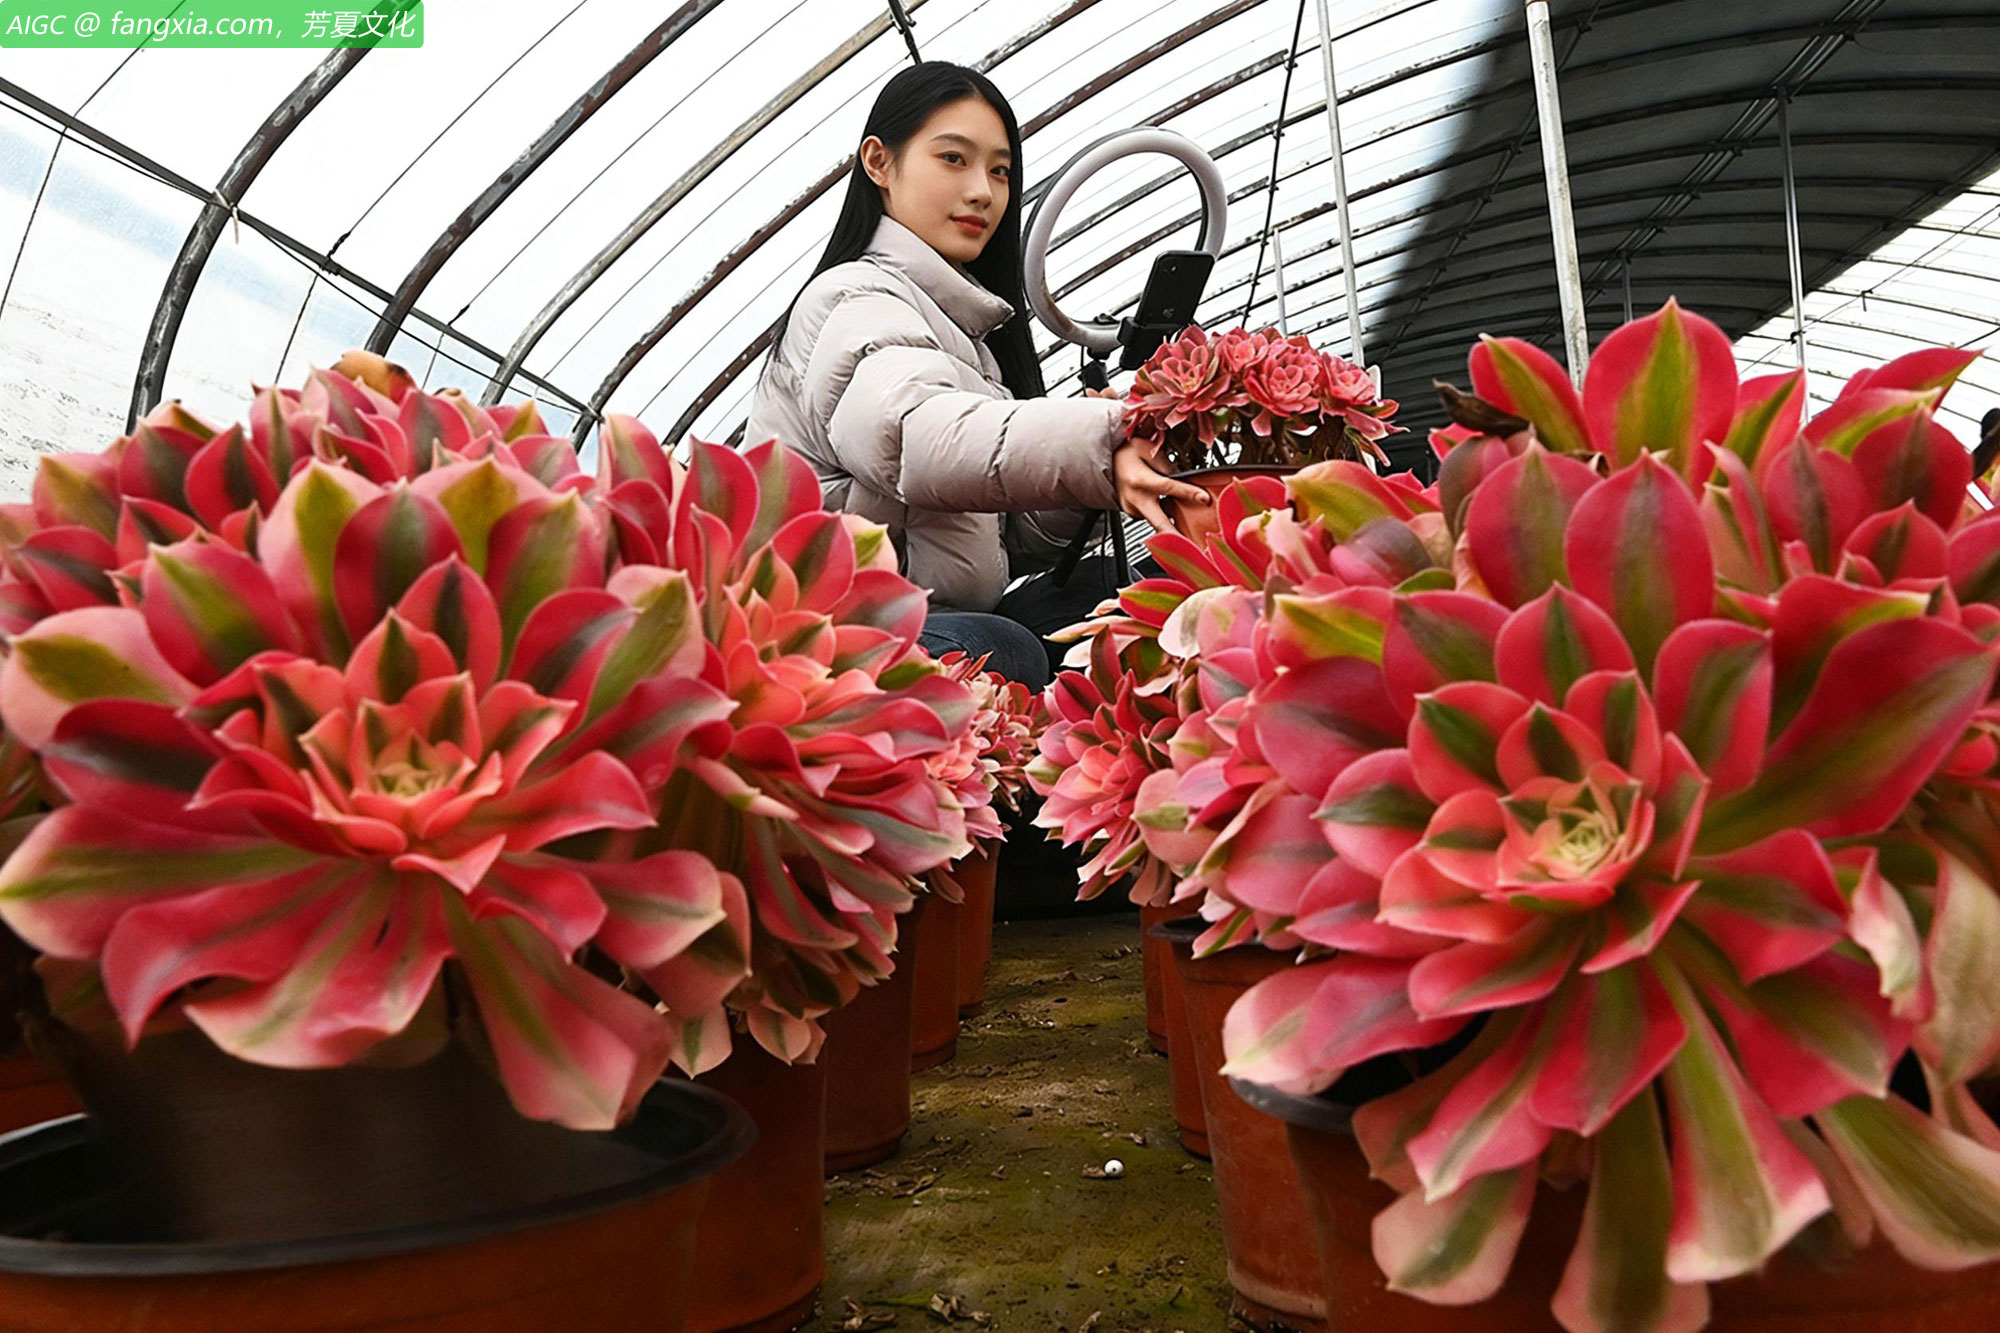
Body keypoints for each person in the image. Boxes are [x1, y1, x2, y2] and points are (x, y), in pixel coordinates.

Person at [745, 61, 1207, 693]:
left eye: (999, 171)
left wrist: (1081, 484)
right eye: (954, 160)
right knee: (1003, 648)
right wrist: (1101, 440)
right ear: (879, 163)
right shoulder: (851, 299)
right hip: (831, 641)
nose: (984, 193)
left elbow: (1005, 546)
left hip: (942, 621)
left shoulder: (968, 338)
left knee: (1119, 598)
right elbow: (914, 435)